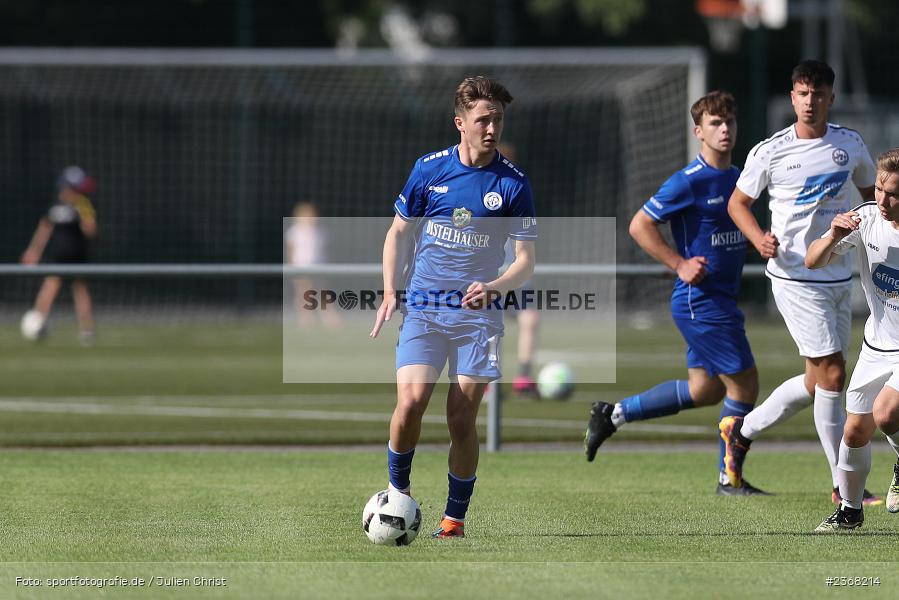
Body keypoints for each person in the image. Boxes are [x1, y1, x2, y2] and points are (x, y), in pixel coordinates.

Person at [370, 76, 536, 538]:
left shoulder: (514, 185)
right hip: (423, 307)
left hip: (477, 319)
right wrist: (389, 291)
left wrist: (496, 286)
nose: (491, 127)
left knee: (461, 419)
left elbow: (525, 261)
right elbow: (399, 232)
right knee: (411, 403)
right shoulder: (429, 169)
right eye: (483, 119)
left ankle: (454, 519)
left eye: (497, 119)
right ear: (460, 122)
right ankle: (397, 495)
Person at [584, 91, 765, 494]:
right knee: (745, 386)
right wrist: (678, 263)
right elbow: (639, 226)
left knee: (706, 390)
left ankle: (612, 414)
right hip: (700, 301)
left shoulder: (740, 178)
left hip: (718, 299)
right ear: (699, 131)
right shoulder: (688, 181)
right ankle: (729, 478)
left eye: (730, 122)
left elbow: (727, 231)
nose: (725, 129)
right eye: (716, 123)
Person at [719, 59, 883, 505]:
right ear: (792, 97)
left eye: (818, 93)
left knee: (817, 381)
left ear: (830, 97)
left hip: (838, 273)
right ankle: (841, 484)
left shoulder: (850, 146)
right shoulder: (770, 150)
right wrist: (759, 239)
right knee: (833, 374)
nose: (810, 101)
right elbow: (738, 202)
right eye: (802, 93)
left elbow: (873, 198)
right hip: (794, 277)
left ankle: (742, 429)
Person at [805, 148, 899, 531]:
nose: (883, 199)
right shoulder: (865, 219)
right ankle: (850, 512)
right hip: (877, 346)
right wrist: (833, 237)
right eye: (879, 188)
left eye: (894, 193)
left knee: (887, 414)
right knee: (854, 431)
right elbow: (813, 260)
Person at [20, 166, 97, 344]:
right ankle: (38, 323)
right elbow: (44, 229)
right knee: (50, 286)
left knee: (80, 289)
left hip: (78, 256)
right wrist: (34, 251)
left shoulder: (82, 204)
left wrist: (85, 215)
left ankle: (87, 329)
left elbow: (91, 231)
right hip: (59, 256)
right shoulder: (55, 206)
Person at [497, 142, 541, 397]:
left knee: (530, 319)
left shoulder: (518, 191)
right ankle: (489, 380)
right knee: (492, 324)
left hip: (513, 273)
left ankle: (523, 377)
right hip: (488, 274)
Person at [284, 201, 339, 327]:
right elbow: (291, 251)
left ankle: (328, 315)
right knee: (304, 291)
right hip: (301, 266)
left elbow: (324, 250)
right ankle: (305, 318)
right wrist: (292, 267)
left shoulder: (321, 231)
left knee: (322, 290)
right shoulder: (295, 232)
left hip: (319, 266)